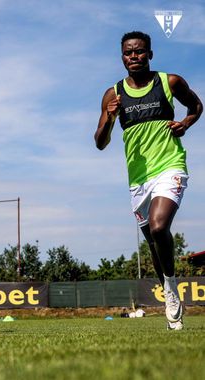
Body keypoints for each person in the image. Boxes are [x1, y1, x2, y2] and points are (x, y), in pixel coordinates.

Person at [95, 31, 203, 331]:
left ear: (150, 55)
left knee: (159, 226)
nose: (134, 56)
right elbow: (100, 142)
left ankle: (169, 293)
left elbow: (196, 107)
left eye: (140, 51)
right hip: (138, 179)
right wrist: (110, 117)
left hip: (170, 166)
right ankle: (170, 288)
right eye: (128, 52)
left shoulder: (169, 82)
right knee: (154, 243)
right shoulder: (113, 94)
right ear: (122, 58)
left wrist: (185, 123)